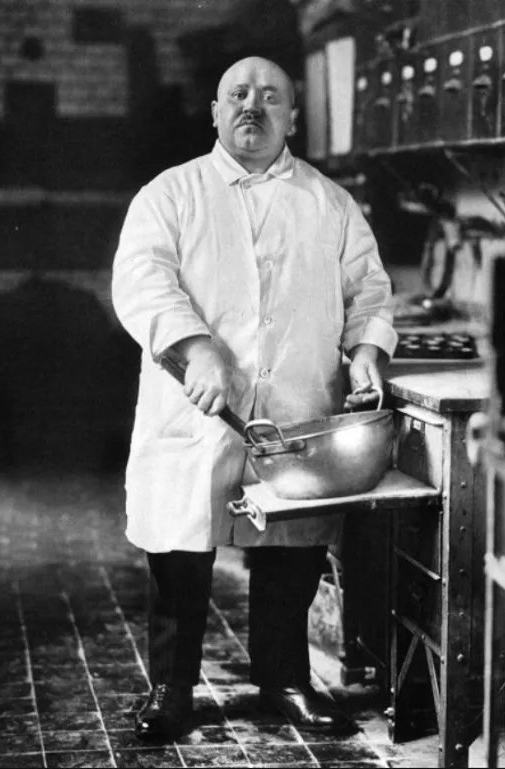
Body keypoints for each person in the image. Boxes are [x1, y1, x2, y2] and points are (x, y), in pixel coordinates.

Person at [112, 56, 398, 743]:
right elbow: (142, 280)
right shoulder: (170, 194)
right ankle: (172, 688)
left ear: (292, 118)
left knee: (291, 553)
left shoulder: (330, 202)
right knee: (180, 550)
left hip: (295, 407)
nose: (252, 105)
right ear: (215, 111)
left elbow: (369, 290)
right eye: (238, 94)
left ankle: (285, 679)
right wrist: (195, 347)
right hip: (197, 410)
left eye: (270, 96)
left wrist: (367, 350)